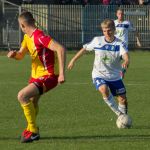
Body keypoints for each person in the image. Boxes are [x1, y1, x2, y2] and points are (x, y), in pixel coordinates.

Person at [7, 11, 65, 143]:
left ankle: (33, 130)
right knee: (32, 102)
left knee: (22, 96)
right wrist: (14, 55)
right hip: (35, 76)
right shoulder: (28, 37)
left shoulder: (39, 36)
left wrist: (61, 73)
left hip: (48, 76)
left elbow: (60, 49)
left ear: (22, 25)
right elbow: (21, 55)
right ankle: (31, 130)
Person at [68, 19, 129, 121]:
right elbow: (85, 49)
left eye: (109, 30)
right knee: (103, 89)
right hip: (99, 74)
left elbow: (126, 56)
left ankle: (123, 119)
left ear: (114, 29)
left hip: (114, 75)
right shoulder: (97, 40)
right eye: (104, 31)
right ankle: (119, 114)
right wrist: (73, 60)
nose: (107, 33)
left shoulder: (120, 44)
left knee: (122, 99)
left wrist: (126, 61)